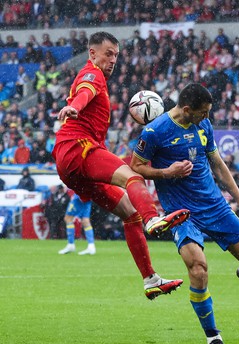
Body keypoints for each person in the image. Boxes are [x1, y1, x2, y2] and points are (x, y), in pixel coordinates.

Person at [130, 83, 239, 344]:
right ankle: (213, 335)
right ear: (186, 110)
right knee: (198, 268)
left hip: (215, 206)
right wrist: (168, 172)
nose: (206, 117)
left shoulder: (203, 126)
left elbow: (217, 163)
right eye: (202, 112)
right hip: (181, 213)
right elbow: (135, 167)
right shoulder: (155, 132)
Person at [52, 31, 189, 300]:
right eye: (108, 53)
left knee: (129, 214)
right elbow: (85, 91)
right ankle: (153, 219)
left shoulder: (95, 74)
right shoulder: (93, 74)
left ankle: (151, 279)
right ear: (93, 54)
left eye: (116, 55)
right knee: (132, 177)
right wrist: (74, 107)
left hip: (71, 163)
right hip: (77, 147)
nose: (113, 59)